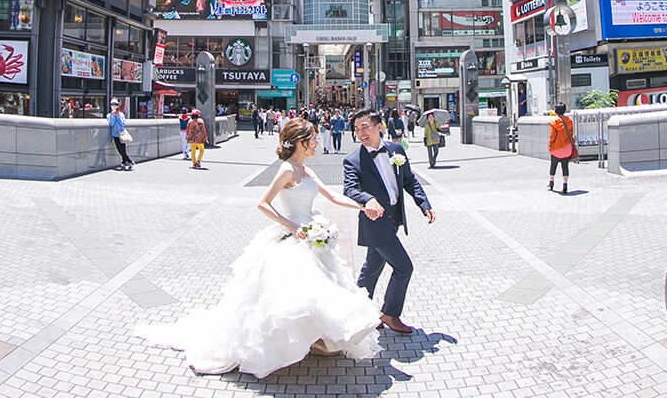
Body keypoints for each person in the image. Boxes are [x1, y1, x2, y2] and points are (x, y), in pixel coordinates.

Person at [137, 118, 383, 376]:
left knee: (318, 289)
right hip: (293, 237)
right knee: (298, 293)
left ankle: (315, 338)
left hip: (311, 233)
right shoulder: (287, 169)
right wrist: (289, 225)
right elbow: (263, 203)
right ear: (300, 143)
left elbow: (332, 196)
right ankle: (290, 343)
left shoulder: (306, 170)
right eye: (313, 138)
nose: (316, 142)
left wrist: (364, 206)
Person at [344, 110, 435, 335]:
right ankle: (390, 314)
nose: (360, 133)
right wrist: (368, 199)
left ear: (379, 127)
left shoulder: (396, 150)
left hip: (394, 219)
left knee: (372, 269)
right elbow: (350, 188)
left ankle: (356, 312)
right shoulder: (353, 160)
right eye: (356, 129)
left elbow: (409, 180)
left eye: (364, 127)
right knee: (404, 268)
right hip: (375, 223)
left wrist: (424, 204)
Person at [547, 105, 575, 194]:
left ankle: (551, 183)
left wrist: (550, 147)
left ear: (555, 111)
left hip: (556, 148)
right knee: (565, 166)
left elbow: (552, 137)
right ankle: (565, 185)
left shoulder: (554, 122)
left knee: (553, 165)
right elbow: (571, 133)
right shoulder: (569, 121)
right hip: (567, 148)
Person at [109, 98, 134, 171]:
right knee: (119, 149)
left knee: (123, 149)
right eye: (112, 105)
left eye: (115, 105)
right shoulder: (110, 115)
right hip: (115, 134)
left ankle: (127, 161)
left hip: (122, 133)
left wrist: (117, 115)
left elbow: (122, 123)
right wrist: (113, 115)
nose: (114, 106)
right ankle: (126, 162)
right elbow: (111, 123)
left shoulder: (121, 114)